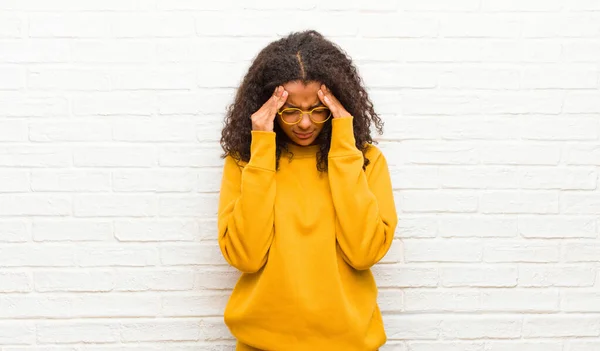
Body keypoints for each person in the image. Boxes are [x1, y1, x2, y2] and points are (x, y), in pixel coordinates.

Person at [217, 30, 398, 351]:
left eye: (318, 109)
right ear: (267, 107)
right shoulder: (246, 162)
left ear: (337, 103)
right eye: (290, 111)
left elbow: (364, 253)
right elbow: (246, 257)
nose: (304, 123)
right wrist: (261, 148)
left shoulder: (366, 161)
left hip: (349, 344)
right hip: (261, 344)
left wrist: (343, 147)